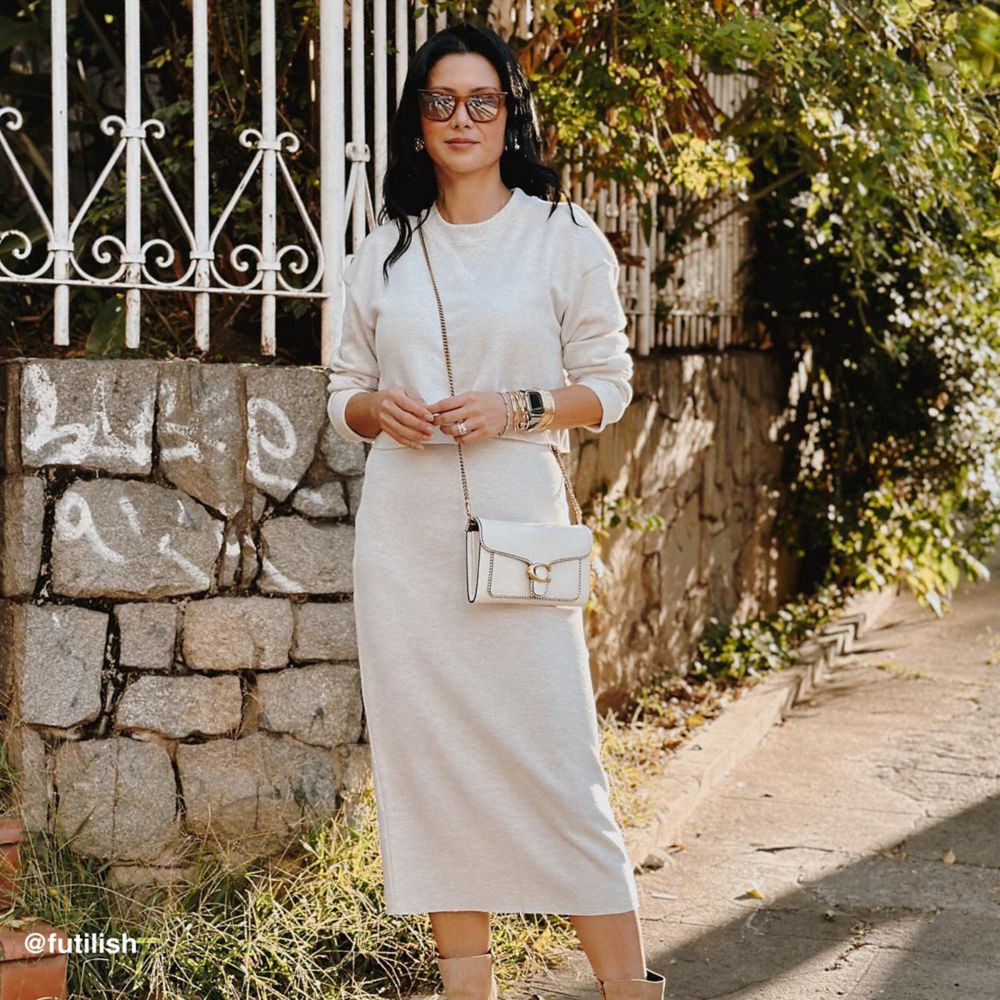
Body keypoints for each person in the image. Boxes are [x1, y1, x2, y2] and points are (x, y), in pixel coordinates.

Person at [325, 19, 665, 1000]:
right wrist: (376, 410)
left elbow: (609, 383)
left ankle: (628, 988)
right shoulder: (383, 251)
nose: (462, 118)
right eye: (442, 102)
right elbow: (342, 389)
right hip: (404, 541)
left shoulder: (563, 236)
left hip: (520, 529)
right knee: (431, 775)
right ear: (417, 121)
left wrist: (519, 406)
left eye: (483, 100)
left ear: (511, 113)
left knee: (561, 763)